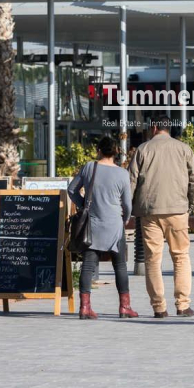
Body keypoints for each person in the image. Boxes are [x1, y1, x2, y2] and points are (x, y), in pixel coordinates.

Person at [129, 114, 194, 319]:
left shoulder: (143, 150)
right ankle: (183, 304)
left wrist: (128, 208)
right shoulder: (183, 149)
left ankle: (159, 307)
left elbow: (131, 182)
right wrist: (192, 204)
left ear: (154, 127)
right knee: (180, 257)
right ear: (168, 128)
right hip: (177, 210)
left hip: (149, 211)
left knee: (153, 259)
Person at [67, 136, 136, 320]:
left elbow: (72, 189)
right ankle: (125, 307)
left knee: (88, 265)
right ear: (115, 152)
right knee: (120, 266)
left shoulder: (90, 168)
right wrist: (125, 219)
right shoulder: (122, 174)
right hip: (115, 226)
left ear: (98, 150)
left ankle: (85, 307)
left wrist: (83, 206)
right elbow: (128, 205)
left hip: (93, 225)